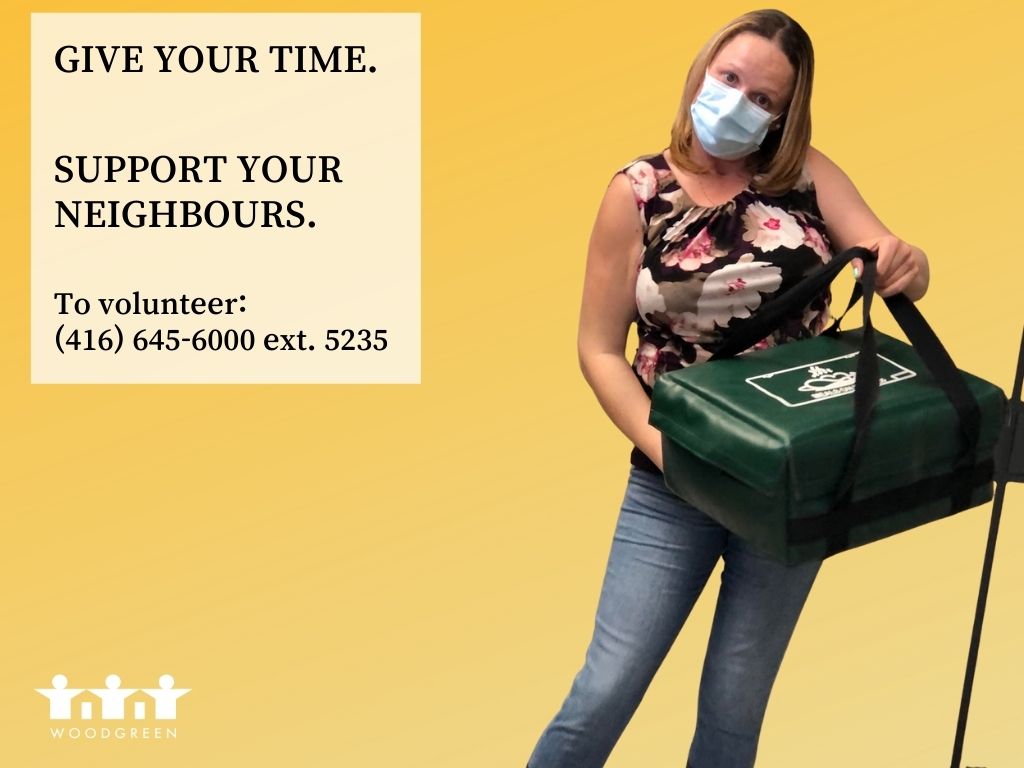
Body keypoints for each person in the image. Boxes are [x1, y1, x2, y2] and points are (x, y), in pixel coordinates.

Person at [525, 8, 929, 768]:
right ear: (701, 72)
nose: (738, 102)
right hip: (671, 482)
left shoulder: (809, 174)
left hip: (788, 481)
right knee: (604, 692)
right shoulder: (637, 192)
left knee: (735, 712)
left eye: (764, 99)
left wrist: (912, 263)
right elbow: (598, 350)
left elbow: (884, 251)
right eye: (729, 79)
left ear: (784, 116)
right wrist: (671, 452)